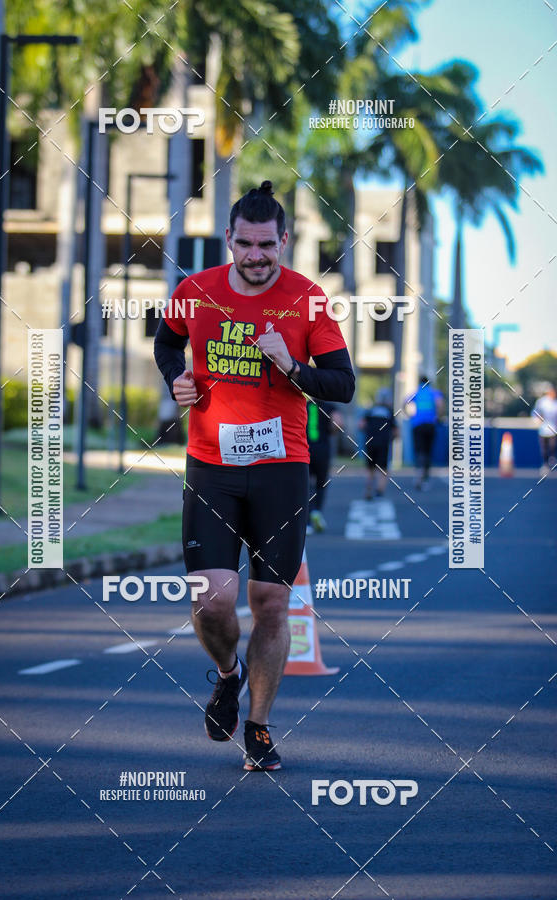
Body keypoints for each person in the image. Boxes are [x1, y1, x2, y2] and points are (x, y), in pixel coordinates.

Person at [154, 181, 354, 771]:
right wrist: (176, 379)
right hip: (211, 467)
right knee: (212, 600)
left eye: (267, 245)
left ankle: (260, 728)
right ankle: (226, 673)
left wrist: (292, 366)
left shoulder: (308, 300)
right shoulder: (194, 292)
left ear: (284, 242)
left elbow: (343, 384)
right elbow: (166, 344)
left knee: (270, 602)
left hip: (280, 470)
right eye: (245, 244)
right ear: (229, 239)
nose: (256, 255)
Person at [305, 400, 343, 533]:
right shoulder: (329, 406)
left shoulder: (306, 405)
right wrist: (332, 431)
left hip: (305, 449)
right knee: (321, 483)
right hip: (322, 449)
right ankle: (317, 511)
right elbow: (338, 423)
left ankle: (307, 522)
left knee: (306, 485)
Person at [405, 375, 444, 490]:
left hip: (417, 425)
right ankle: (425, 477)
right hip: (430, 425)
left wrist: (409, 416)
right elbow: (440, 404)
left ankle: (419, 475)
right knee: (428, 451)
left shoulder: (417, 392)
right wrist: (439, 417)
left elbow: (404, 402)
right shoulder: (434, 392)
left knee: (419, 451)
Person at [359, 387, 397, 500]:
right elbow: (396, 432)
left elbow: (361, 425)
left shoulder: (370, 411)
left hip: (370, 443)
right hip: (383, 444)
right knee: (383, 468)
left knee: (370, 468)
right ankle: (379, 491)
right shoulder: (389, 413)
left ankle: (368, 490)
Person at [532, 385, 557, 474]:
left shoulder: (555, 403)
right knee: (544, 448)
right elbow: (535, 412)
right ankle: (545, 464)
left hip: (554, 429)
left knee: (552, 446)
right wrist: (537, 419)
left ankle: (552, 460)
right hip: (543, 429)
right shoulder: (542, 402)